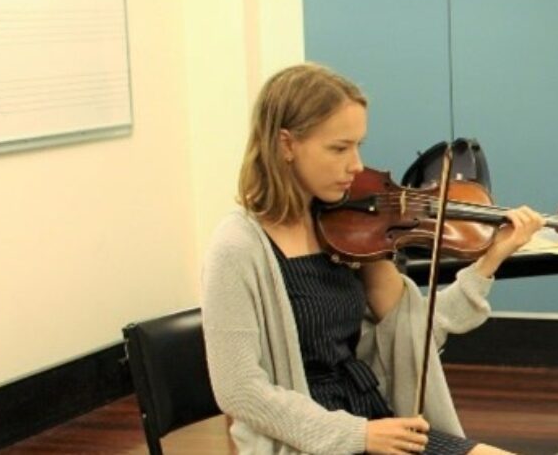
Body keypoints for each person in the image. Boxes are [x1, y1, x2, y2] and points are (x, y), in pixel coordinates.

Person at [203, 63, 539, 454]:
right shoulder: (238, 247)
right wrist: (357, 436)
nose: (356, 166)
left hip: (374, 418)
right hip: (312, 442)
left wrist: (488, 263)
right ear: (286, 144)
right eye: (339, 148)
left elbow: (416, 335)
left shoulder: (349, 231)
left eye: (358, 145)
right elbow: (239, 391)